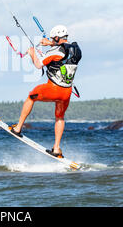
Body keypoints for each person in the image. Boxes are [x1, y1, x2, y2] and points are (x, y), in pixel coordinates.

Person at [10, 25, 82, 158]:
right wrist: (50, 43)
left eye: (52, 38)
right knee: (59, 117)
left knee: (31, 97)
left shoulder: (54, 52)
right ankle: (56, 148)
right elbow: (64, 49)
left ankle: (18, 127)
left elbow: (38, 65)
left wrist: (32, 54)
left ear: (56, 37)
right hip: (67, 92)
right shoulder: (76, 50)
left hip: (53, 89)